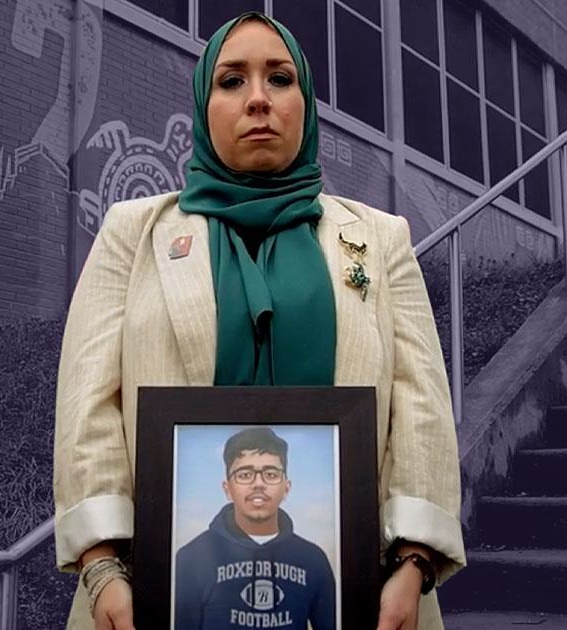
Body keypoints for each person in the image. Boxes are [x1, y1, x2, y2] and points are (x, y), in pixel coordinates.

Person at [53, 10, 465, 630]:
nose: (257, 101)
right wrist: (103, 565)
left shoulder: (379, 238)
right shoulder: (131, 233)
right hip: (150, 597)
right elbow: (88, 404)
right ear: (203, 103)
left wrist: (413, 563)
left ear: (306, 101)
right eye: (231, 81)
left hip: (368, 595)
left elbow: (422, 404)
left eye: (279, 78)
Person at [173, 427, 336, 630]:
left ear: (286, 487)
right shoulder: (190, 560)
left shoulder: (313, 560)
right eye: (245, 474)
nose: (258, 483)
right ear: (227, 489)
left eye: (270, 473)